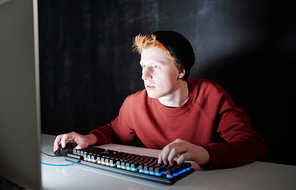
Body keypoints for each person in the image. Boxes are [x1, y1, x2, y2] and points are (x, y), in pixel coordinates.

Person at [54, 30, 267, 169]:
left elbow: (253, 146)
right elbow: (114, 132)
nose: (144, 76)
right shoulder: (135, 103)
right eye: (142, 66)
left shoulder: (211, 95)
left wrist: (203, 153)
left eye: (155, 67)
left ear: (181, 70)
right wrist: (88, 138)